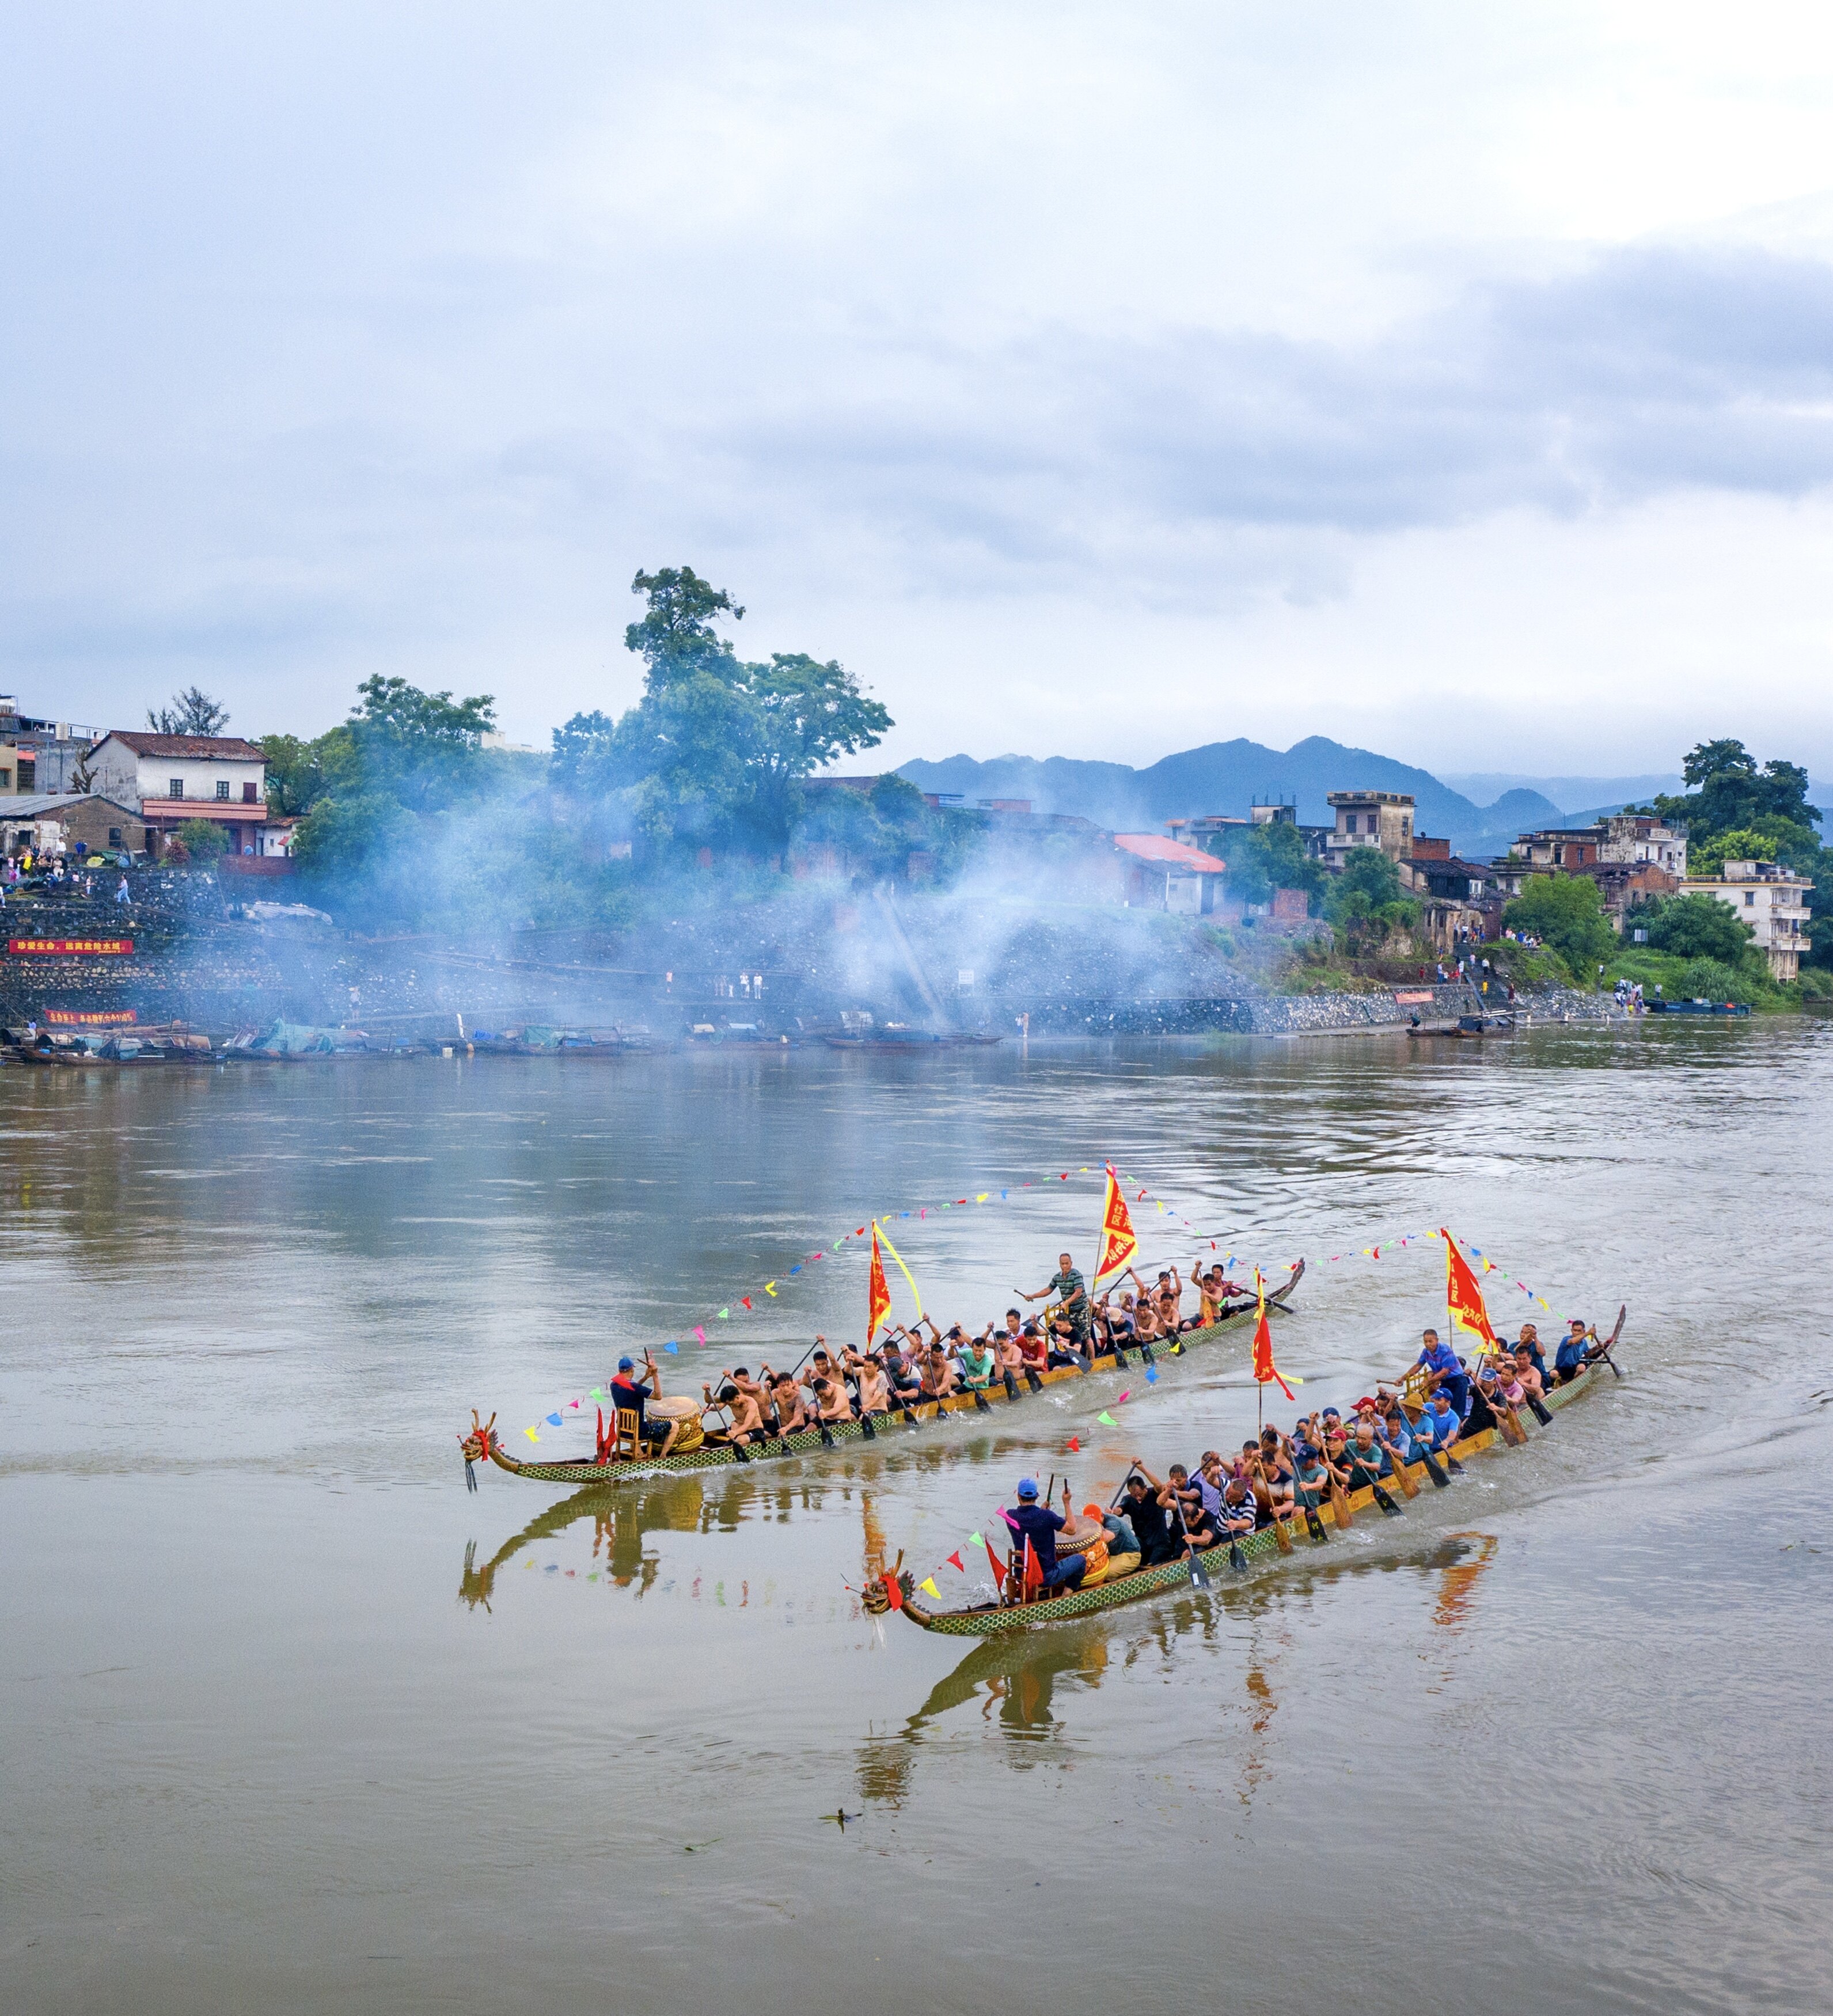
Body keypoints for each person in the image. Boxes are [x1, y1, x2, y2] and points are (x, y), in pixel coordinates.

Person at [1004, 1476, 1087, 1597]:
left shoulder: (1009, 1516)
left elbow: (1029, 1522)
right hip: (1045, 1577)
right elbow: (1072, 1529)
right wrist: (1067, 1502)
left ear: (1018, 1497)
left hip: (1021, 1574)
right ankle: (1065, 1597)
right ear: (1037, 1496)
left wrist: (1042, 1511)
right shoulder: (1047, 1516)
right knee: (1081, 1560)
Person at [1022, 1252, 1090, 1351]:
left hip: (1081, 1309)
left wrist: (1067, 1302)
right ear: (1060, 1264)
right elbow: (1048, 1290)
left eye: (1067, 1264)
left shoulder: (1077, 1275)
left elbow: (1078, 1292)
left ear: (1071, 1263)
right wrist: (1033, 1296)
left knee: (1086, 1338)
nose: (1065, 1266)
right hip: (1068, 1311)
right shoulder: (1057, 1277)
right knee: (1069, 1335)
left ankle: (1092, 1360)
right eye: (1063, 1264)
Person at [1121, 1466, 1182, 1566]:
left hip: (1161, 1543)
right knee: (1131, 1543)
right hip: (1142, 1543)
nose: (1138, 1498)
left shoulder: (1154, 1494)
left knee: (1153, 1563)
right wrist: (1113, 1511)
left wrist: (1142, 1468)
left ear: (1145, 1488)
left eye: (1139, 1494)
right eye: (1134, 1496)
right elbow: (1120, 1510)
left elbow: (1158, 1485)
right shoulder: (1128, 1500)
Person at [1413, 1327, 1468, 1419]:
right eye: (1426, 1342)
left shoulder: (1445, 1350)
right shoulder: (1426, 1352)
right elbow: (1418, 1366)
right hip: (1445, 1382)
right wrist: (1403, 1378)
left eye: (1430, 1341)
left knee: (1457, 1411)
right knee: (1441, 1406)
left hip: (1458, 1381)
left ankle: (1456, 1430)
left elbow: (1444, 1372)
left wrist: (1429, 1381)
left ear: (1437, 1340)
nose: (1428, 1344)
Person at [1554, 1319, 1595, 1384]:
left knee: (1582, 1368)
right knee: (1553, 1374)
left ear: (1583, 1331)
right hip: (1562, 1368)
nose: (1576, 1333)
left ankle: (1573, 1381)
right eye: (1575, 1330)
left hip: (1573, 1368)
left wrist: (1597, 1348)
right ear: (1571, 1330)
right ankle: (1561, 1381)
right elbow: (1573, 1341)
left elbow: (1588, 1354)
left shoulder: (1584, 1342)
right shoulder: (1566, 1339)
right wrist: (1588, 1333)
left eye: (1579, 1331)